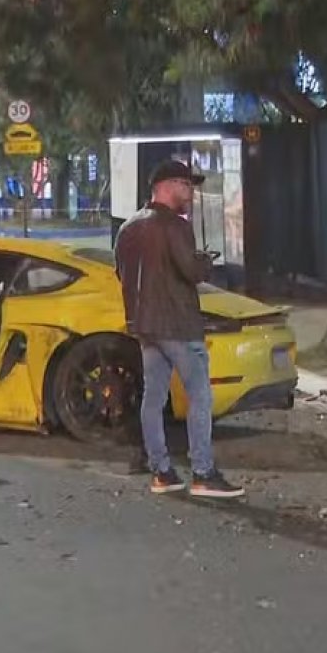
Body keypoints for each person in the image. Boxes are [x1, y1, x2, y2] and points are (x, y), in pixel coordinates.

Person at [114, 159, 245, 499]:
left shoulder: (127, 228)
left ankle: (162, 471)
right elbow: (190, 270)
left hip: (144, 325)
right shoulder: (174, 225)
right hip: (178, 325)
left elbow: (121, 273)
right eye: (186, 185)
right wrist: (204, 262)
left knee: (153, 398)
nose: (190, 192)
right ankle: (203, 472)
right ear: (167, 186)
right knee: (200, 396)